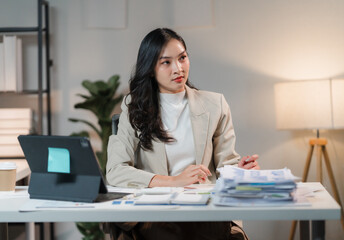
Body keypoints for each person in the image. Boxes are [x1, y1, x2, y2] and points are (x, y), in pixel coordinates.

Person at [106, 28, 260, 240]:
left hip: (204, 210)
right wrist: (172, 181)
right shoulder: (133, 107)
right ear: (151, 69)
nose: (178, 68)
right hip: (157, 213)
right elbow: (116, 170)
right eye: (166, 62)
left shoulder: (215, 104)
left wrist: (240, 172)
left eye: (182, 58)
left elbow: (226, 165)